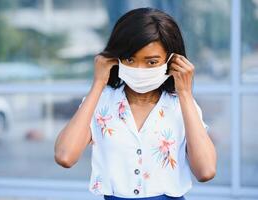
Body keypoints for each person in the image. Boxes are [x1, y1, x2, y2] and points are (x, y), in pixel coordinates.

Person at [54, 7, 217, 200]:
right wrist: (98, 83)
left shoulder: (182, 105)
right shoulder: (101, 102)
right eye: (130, 59)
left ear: (171, 60)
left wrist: (185, 92)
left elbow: (205, 171)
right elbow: (65, 156)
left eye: (151, 62)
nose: (139, 69)